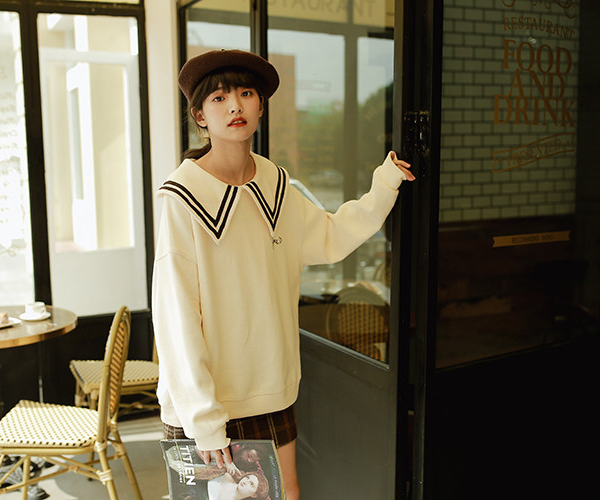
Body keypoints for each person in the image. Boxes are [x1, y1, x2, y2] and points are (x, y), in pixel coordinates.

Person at [152, 49, 415, 500]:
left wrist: (384, 183)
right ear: (200, 116)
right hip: (205, 403)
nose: (235, 106)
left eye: (245, 93)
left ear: (260, 106)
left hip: (269, 389)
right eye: (218, 98)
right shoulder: (182, 197)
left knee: (287, 495)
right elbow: (176, 318)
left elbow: (331, 236)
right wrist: (204, 420)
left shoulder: (276, 185)